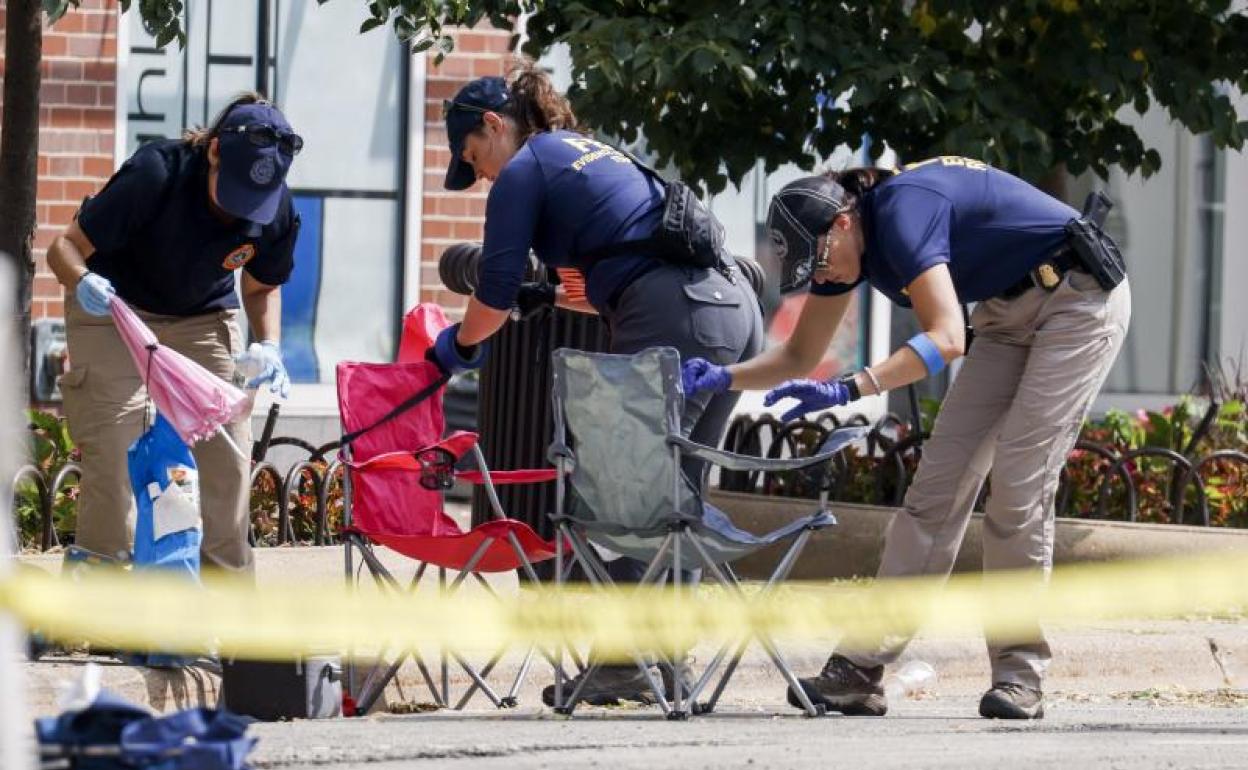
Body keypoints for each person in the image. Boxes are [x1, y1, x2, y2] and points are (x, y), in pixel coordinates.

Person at [684, 156, 1131, 719]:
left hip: (1076, 299)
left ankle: (1020, 674)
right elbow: (800, 354)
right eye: (808, 273)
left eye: (818, 261)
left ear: (843, 222)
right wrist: (726, 375)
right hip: (1004, 314)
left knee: (1019, 476)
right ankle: (861, 669)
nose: (820, 277)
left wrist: (854, 388)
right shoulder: (842, 249)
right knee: (936, 488)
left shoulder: (901, 212)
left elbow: (945, 338)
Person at [429, 61, 764, 706]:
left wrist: (459, 346)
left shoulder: (524, 171)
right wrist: (546, 293)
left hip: (678, 316)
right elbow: (603, 282)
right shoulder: (590, 155)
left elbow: (491, 295)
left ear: (495, 126)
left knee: (627, 484)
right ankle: (662, 661)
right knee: (675, 494)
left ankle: (623, 660)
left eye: (476, 157)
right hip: (733, 312)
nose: (483, 176)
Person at [47, 93, 302, 575]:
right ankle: (98, 593)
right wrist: (82, 281)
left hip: (202, 315)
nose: (237, 212)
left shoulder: (275, 209)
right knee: (117, 445)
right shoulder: (155, 174)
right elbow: (65, 247)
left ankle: (226, 597)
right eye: (231, 191)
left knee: (228, 448)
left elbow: (262, 285)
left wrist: (268, 344)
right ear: (212, 152)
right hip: (114, 308)